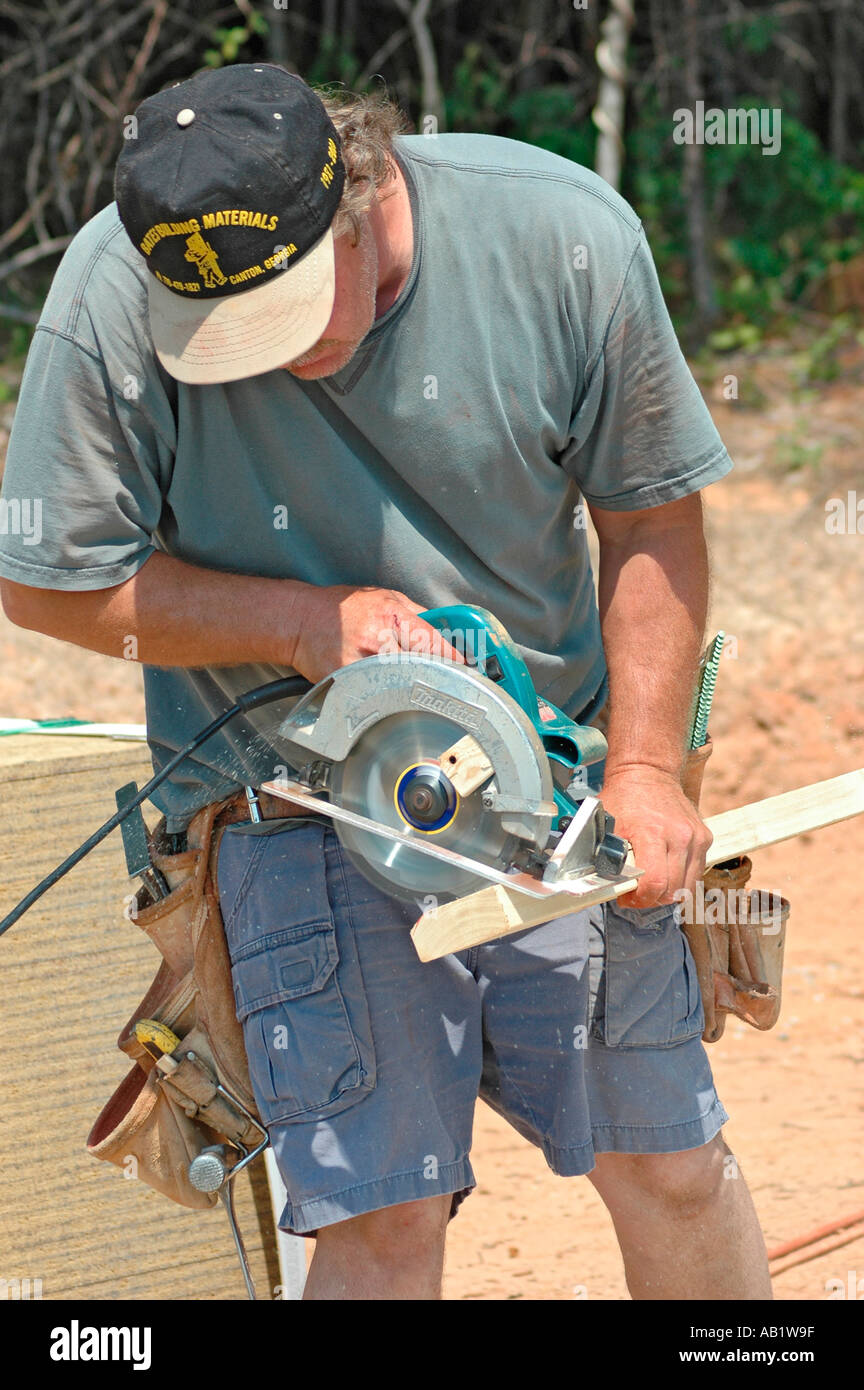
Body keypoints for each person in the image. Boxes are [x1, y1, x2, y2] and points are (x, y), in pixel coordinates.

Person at [0, 62, 771, 1300]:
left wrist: (641, 768)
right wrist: (302, 623)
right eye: (231, 338)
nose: (282, 357)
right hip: (292, 802)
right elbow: (51, 583)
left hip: (550, 781)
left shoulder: (560, 236)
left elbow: (652, 525)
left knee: (669, 1157)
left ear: (358, 192)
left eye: (297, 309)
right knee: (383, 1214)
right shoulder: (114, 284)